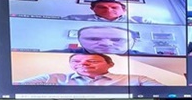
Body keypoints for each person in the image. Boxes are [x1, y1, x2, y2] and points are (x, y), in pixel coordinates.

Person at [18, 53, 163, 86]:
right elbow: (18, 86)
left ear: (110, 64)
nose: (83, 64)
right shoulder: (52, 78)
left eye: (92, 61)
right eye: (76, 62)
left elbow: (165, 92)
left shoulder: (137, 79)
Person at [71, 26, 153, 55]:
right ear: (79, 40)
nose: (106, 44)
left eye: (118, 40)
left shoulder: (151, 60)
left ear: (134, 42)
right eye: (93, 39)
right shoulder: (66, 54)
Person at [65, 0, 150, 23]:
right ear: (92, 9)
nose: (109, 10)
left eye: (114, 7)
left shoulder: (141, 21)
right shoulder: (73, 18)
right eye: (102, 7)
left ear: (124, 10)